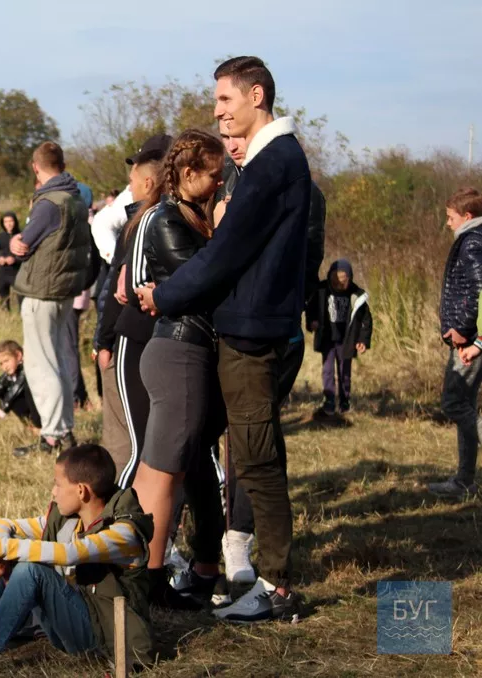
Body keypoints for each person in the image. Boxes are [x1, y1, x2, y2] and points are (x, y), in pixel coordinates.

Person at [138, 56, 308, 622]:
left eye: (226, 101)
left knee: (258, 459)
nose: (218, 113)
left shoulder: (272, 163)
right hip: (246, 326)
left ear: (256, 96)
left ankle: (279, 588)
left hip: (253, 331)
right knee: (231, 453)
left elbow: (223, 257)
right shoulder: (269, 163)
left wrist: (162, 296)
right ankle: (210, 564)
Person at [0, 444, 155, 676]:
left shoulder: (124, 534)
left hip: (106, 636)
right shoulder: (70, 517)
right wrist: (2, 553)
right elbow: (2, 525)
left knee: (28, 569)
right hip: (74, 618)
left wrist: (2, 549)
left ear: (81, 490)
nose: (53, 492)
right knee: (12, 560)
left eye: (58, 484)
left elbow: (72, 553)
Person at [213, 127, 326, 585]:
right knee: (235, 438)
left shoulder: (302, 192)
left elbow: (299, 266)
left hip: (272, 333)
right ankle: (223, 536)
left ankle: (242, 542)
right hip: (223, 328)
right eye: (227, 140)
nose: (233, 146)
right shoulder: (226, 183)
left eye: (240, 137)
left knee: (253, 443)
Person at [131, 130, 228, 610]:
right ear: (188, 174)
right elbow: (202, 283)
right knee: (161, 476)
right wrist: (227, 229)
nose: (220, 183)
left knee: (191, 473)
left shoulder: (193, 214)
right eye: (215, 175)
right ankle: (147, 582)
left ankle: (199, 568)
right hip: (178, 355)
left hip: (190, 355)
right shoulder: (167, 219)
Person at [91, 136, 171, 480]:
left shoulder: (146, 222)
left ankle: (121, 512)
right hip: (155, 338)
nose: (129, 184)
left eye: (133, 178)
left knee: (129, 437)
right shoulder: (161, 217)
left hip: (135, 337)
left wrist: (103, 341)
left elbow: (116, 291)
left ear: (150, 180)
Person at [10, 142, 92, 457]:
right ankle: (64, 430)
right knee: (57, 360)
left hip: (42, 290)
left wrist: (18, 240)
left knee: (40, 364)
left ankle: (53, 436)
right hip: (64, 290)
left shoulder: (48, 203)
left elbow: (24, 245)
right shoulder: (75, 196)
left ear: (36, 166)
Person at [429, 187, 482, 498]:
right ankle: (465, 481)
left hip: (471, 342)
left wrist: (474, 338)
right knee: (463, 404)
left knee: (454, 403)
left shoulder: (472, 243)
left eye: (450, 217)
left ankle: (464, 481)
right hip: (469, 339)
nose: (447, 223)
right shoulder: (472, 240)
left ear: (467, 217)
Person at [307, 259, 372, 415]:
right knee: (328, 370)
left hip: (346, 339)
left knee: (345, 371)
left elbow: (366, 320)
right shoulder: (321, 290)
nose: (338, 286)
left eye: (342, 283)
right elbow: (311, 308)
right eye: (335, 282)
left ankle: (345, 401)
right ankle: (329, 400)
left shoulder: (356, 295)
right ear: (330, 278)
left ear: (349, 279)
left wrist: (363, 340)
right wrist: (312, 322)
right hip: (327, 338)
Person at [0, 340, 41, 431]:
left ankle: (38, 426)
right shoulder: (10, 374)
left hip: (41, 408)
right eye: (1, 363)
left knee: (17, 392)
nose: (4, 366)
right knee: (2, 391)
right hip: (33, 410)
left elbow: (15, 391)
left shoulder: (27, 368)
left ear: (18, 356)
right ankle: (30, 425)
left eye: (6, 361)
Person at [0, 212, 21, 311]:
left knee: (21, 297)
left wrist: (15, 259)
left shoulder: (21, 235)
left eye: (11, 221)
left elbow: (27, 253)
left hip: (17, 272)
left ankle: (21, 316)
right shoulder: (0, 237)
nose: (8, 224)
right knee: (3, 298)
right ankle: (6, 318)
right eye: (6, 222)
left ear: (15, 222)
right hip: (3, 272)